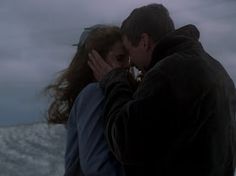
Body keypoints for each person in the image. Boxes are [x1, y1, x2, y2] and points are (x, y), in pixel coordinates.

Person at [88, 3, 236, 176]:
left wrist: (113, 81)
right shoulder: (218, 71)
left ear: (144, 41)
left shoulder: (168, 73)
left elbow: (125, 142)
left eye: (129, 52)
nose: (130, 64)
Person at [45, 24, 130, 176]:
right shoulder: (94, 93)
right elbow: (97, 168)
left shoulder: (103, 94)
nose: (127, 65)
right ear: (95, 60)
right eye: (120, 58)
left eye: (128, 59)